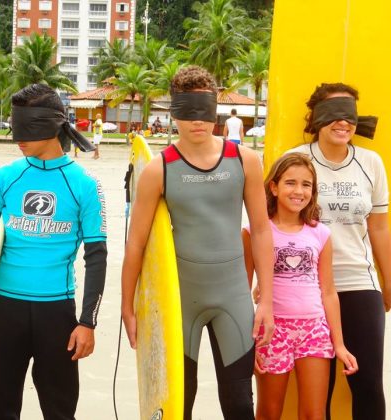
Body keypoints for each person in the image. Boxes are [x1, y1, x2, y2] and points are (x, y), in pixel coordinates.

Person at [121, 65, 275, 420]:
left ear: (215, 110)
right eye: (187, 112)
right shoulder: (159, 169)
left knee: (239, 406)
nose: (197, 121)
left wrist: (266, 299)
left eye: (204, 111)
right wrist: (128, 306)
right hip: (180, 302)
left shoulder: (245, 161)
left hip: (233, 299)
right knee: (178, 407)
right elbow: (137, 244)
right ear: (174, 113)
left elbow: (262, 230)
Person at [0, 84, 107, 420]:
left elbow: (96, 257)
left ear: (53, 126)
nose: (17, 138)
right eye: (15, 127)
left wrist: (88, 322)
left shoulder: (85, 185)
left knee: (60, 411)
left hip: (57, 314)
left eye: (27, 129)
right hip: (2, 311)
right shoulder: (6, 178)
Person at [288, 83, 390, 420]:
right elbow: (275, 227)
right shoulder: (297, 160)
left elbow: (379, 226)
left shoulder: (370, 162)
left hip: (359, 283)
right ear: (317, 118)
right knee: (320, 391)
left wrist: (387, 283)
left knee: (369, 384)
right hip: (307, 289)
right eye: (334, 114)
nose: (343, 122)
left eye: (350, 115)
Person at [243, 152, 358, 419]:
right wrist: (246, 345)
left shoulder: (320, 233)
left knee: (313, 415)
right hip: (272, 331)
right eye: (290, 183)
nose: (299, 191)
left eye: (306, 185)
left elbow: (328, 291)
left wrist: (338, 343)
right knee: (269, 413)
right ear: (274, 186)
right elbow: (243, 288)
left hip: (314, 330)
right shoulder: (254, 232)